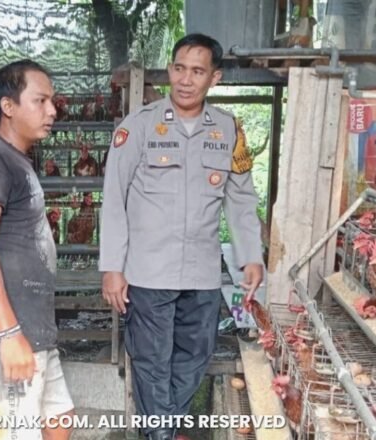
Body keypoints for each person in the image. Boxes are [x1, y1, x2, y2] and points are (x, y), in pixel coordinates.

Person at [99, 34, 265, 440]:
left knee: (195, 357)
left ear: (215, 77)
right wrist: (112, 269)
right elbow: (113, 201)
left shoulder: (229, 130)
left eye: (197, 71)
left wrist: (251, 257)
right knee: (152, 361)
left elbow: (241, 199)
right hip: (148, 272)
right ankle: (163, 434)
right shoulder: (137, 128)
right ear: (170, 70)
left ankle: (163, 429)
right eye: (179, 69)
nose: (185, 80)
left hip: (202, 274)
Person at [0, 59, 74, 440]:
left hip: (33, 334)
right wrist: (9, 334)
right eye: (40, 101)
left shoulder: (18, 161)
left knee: (59, 420)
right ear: (8, 107)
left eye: (51, 102)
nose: (52, 111)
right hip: (3, 340)